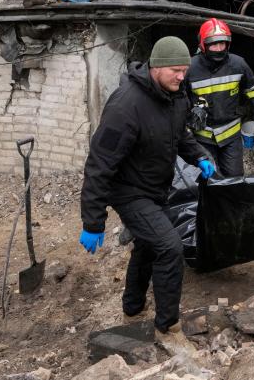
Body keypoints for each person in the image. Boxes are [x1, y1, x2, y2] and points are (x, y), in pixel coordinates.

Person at [79, 36, 216, 351]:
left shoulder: (176, 96)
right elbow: (99, 164)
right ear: (157, 67)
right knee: (170, 248)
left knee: (148, 245)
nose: (182, 77)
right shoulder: (126, 105)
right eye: (176, 71)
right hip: (129, 192)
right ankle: (167, 326)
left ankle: (132, 307)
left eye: (185, 70)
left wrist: (199, 156)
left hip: (156, 188)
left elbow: (180, 134)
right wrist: (93, 221)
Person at [186, 18, 254, 177]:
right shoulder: (190, 68)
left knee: (235, 180)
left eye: (222, 44)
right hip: (202, 136)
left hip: (231, 135)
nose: (218, 49)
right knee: (207, 180)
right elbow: (179, 100)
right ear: (203, 45)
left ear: (228, 44)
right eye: (213, 44)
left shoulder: (238, 64)